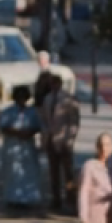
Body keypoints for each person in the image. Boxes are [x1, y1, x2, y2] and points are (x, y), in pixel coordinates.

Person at [0, 84, 46, 210]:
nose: (21, 100)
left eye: (23, 97)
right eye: (19, 97)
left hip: (27, 146)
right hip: (12, 145)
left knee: (28, 172)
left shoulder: (32, 111)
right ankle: (12, 199)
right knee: (12, 173)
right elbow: (3, 127)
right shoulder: (8, 111)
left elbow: (38, 127)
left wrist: (29, 133)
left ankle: (27, 198)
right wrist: (17, 132)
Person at [40, 73, 82, 212]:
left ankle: (71, 197)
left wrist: (70, 139)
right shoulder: (47, 99)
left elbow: (74, 121)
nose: (54, 86)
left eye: (56, 83)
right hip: (51, 139)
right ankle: (55, 198)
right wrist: (45, 136)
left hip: (64, 140)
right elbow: (45, 120)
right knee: (53, 172)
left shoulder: (68, 99)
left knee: (68, 171)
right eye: (52, 84)